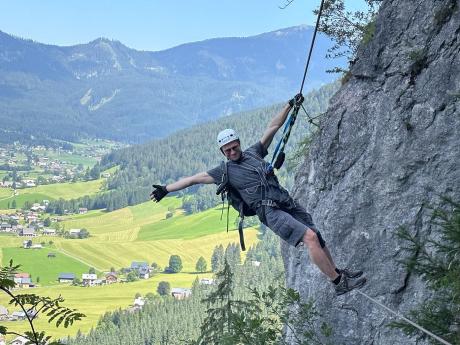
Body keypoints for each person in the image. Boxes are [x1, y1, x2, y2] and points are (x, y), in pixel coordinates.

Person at [151, 94, 366, 295]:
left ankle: (337, 272)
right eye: (228, 151)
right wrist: (166, 189)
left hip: (285, 200)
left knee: (316, 234)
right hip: (270, 212)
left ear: (239, 144)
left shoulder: (255, 152)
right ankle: (338, 284)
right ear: (222, 153)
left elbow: (273, 126)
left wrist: (290, 106)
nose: (232, 152)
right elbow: (193, 179)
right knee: (309, 237)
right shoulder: (224, 172)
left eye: (234, 148)